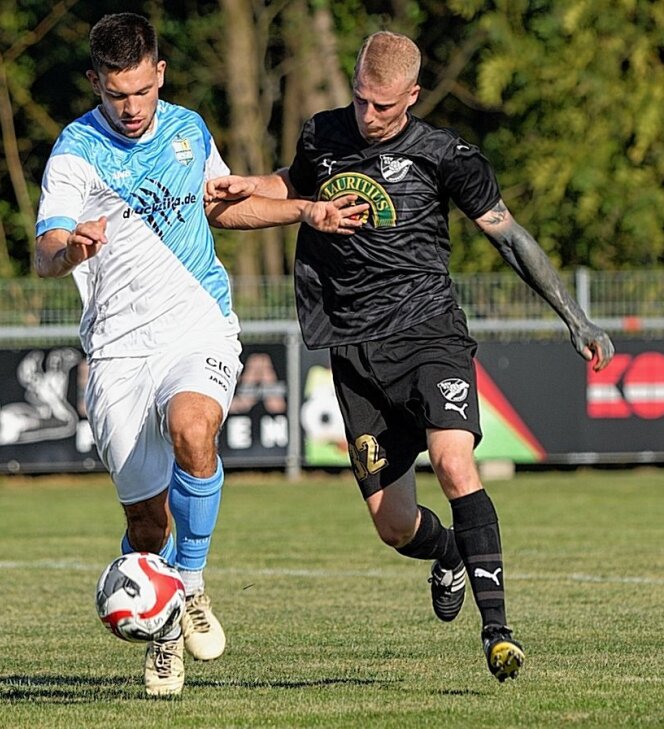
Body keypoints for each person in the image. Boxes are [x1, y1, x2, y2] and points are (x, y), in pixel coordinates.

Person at [204, 30, 615, 682]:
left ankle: (499, 633)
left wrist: (575, 316)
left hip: (430, 337)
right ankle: (449, 550)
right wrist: (255, 184)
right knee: (394, 526)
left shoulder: (445, 154)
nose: (370, 116)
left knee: (456, 465)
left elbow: (508, 236)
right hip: (353, 350)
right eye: (363, 100)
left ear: (413, 96)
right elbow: (292, 183)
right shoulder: (323, 132)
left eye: (384, 107)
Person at [33, 12, 365, 697]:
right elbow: (45, 251)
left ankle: (187, 584)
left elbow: (219, 206)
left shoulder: (187, 129)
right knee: (144, 523)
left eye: (141, 91)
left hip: (197, 323)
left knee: (194, 428)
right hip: (118, 347)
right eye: (115, 94)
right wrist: (71, 246)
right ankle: (164, 628)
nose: (130, 108)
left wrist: (305, 210)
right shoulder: (75, 150)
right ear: (96, 82)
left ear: (159, 72)